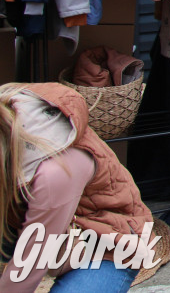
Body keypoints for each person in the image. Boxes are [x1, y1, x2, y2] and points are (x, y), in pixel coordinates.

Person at [0, 82, 152, 292]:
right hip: (44, 226)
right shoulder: (9, 108)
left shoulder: (55, 172)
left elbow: (31, 261)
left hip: (106, 241)